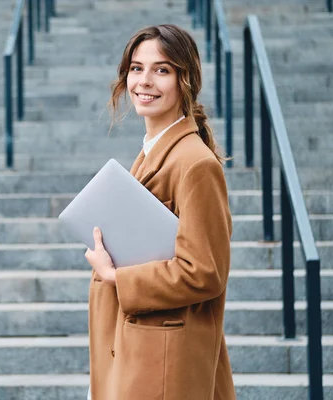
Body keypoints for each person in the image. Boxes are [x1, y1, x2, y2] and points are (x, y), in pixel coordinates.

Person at [84, 24, 236, 399]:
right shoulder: (154, 152)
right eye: (137, 68)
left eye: (162, 70)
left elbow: (204, 272)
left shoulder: (195, 163)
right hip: (138, 350)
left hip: (164, 362)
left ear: (185, 80)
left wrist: (117, 276)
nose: (144, 81)